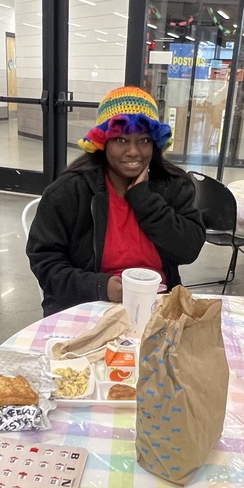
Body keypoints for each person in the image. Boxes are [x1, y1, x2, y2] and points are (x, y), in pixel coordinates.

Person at [26, 86, 206, 316]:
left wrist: (143, 199)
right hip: (86, 305)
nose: (133, 151)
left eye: (143, 140)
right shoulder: (70, 191)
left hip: (157, 306)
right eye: (121, 139)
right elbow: (46, 265)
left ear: (155, 143)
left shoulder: (173, 186)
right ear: (102, 142)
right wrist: (101, 286)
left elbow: (188, 250)